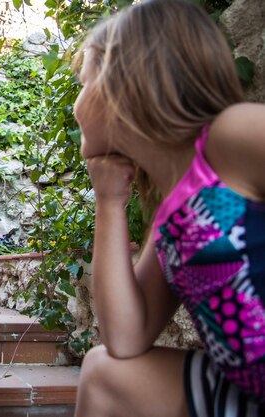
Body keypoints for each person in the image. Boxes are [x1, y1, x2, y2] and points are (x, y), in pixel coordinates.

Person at [71, 0, 265, 416]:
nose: (77, 104)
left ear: (125, 87)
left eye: (83, 84)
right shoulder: (173, 217)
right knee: (104, 375)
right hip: (249, 392)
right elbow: (125, 338)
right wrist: (108, 202)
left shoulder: (232, 137)